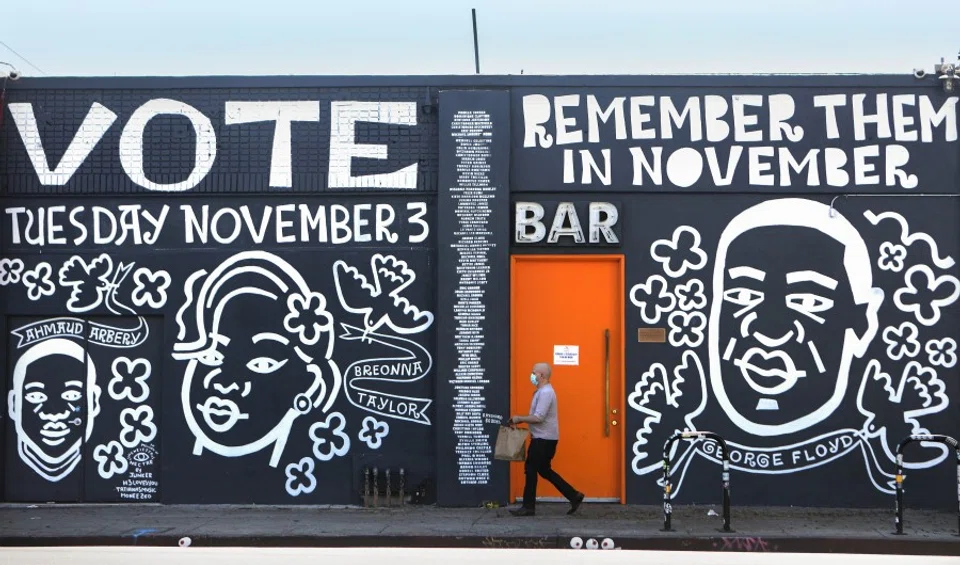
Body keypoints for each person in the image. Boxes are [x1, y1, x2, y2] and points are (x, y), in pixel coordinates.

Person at [507, 361, 584, 517]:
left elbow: (539, 417)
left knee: (530, 469)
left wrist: (519, 419)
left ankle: (528, 507)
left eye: (534, 372)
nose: (532, 375)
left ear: (541, 375)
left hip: (543, 439)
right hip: (545, 438)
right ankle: (574, 495)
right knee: (543, 470)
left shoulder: (546, 393)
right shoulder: (542, 392)